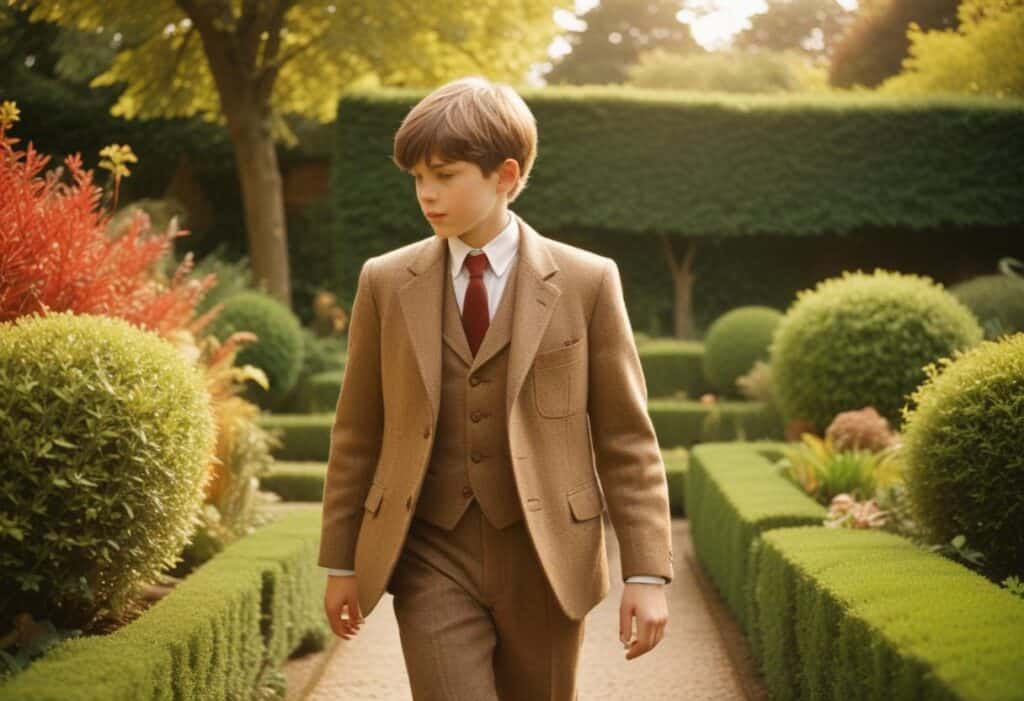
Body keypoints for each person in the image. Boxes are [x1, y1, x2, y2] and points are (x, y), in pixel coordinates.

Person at [319, 75, 673, 700]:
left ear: (505, 175)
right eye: (417, 178)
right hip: (430, 550)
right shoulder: (384, 281)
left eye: (445, 175)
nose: (426, 194)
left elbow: (626, 439)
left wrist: (647, 572)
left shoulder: (589, 282)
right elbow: (357, 431)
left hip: (547, 559)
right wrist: (342, 560)